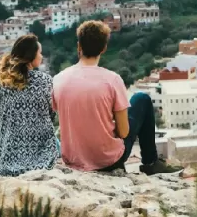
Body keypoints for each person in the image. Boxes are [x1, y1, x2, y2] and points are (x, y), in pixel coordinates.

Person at [52, 20, 181, 175]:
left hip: (73, 160)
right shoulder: (112, 80)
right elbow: (124, 132)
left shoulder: (59, 79)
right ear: (104, 48)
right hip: (108, 161)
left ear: (79, 46)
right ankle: (151, 162)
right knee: (142, 99)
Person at [0, 34, 59, 177]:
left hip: (7, 155)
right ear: (31, 56)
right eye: (40, 52)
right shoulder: (46, 81)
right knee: (57, 143)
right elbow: (52, 113)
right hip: (41, 153)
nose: (42, 56)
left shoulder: (2, 82)